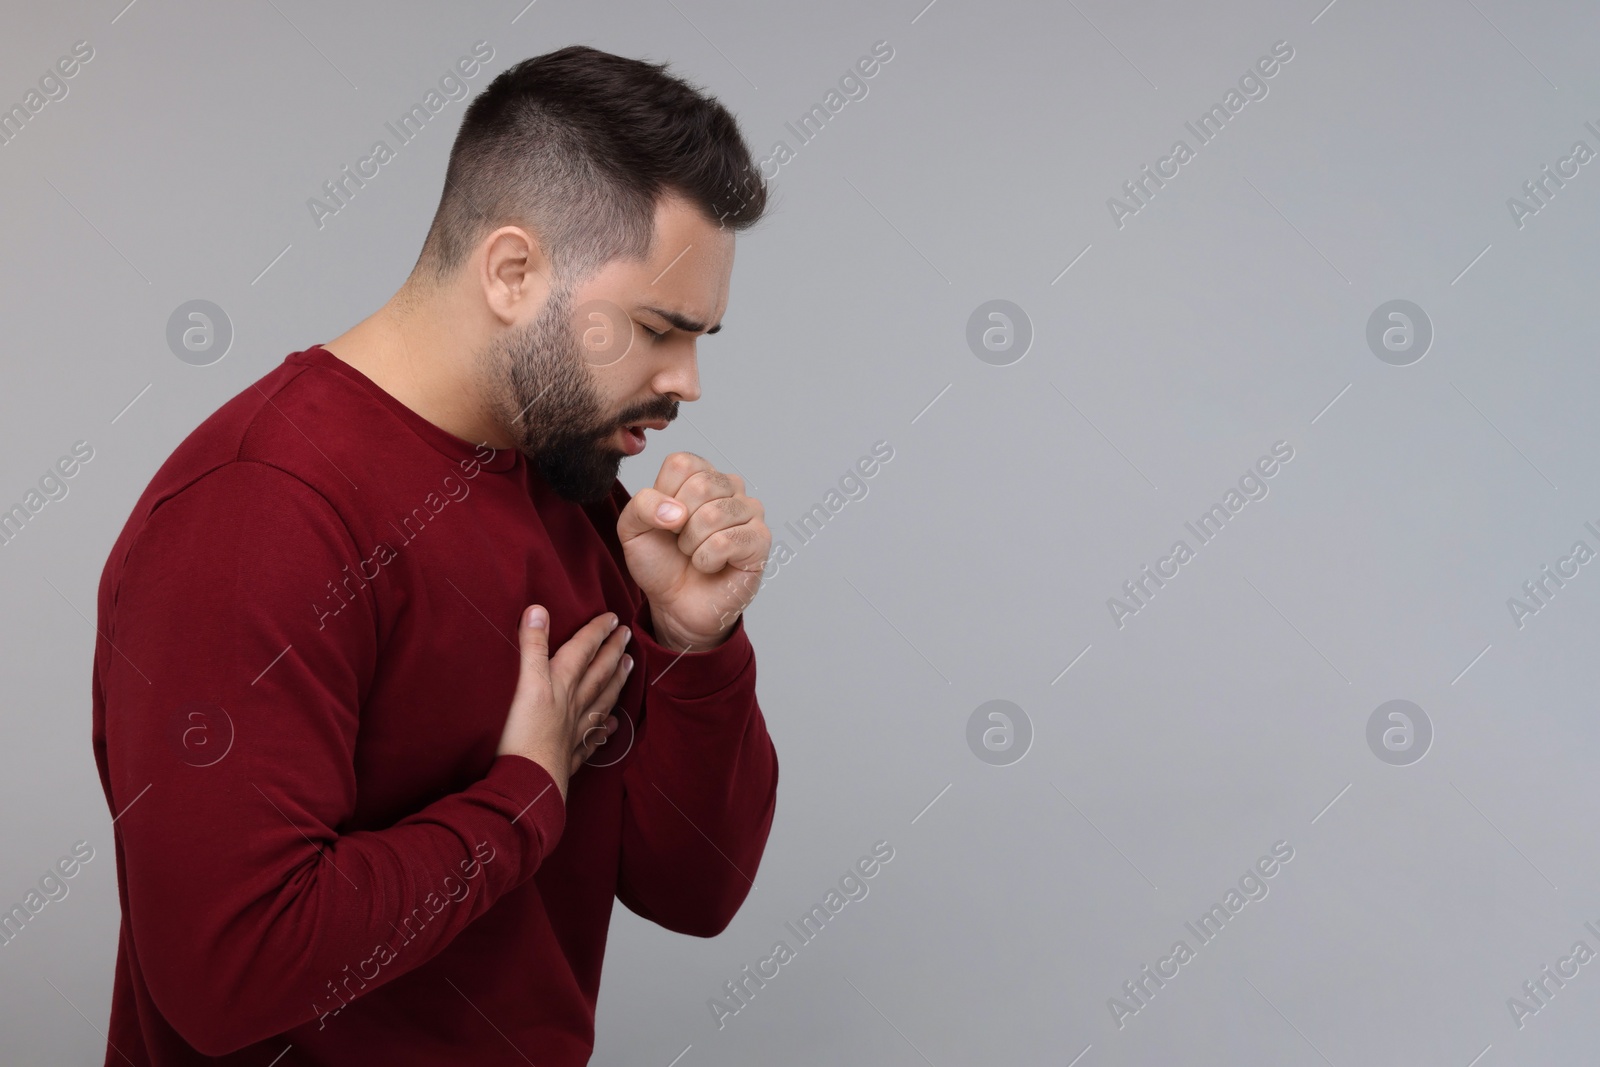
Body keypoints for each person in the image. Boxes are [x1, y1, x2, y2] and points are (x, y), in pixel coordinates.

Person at [90, 44, 778, 1065]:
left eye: (701, 337)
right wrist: (524, 792)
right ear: (513, 271)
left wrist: (693, 647)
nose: (686, 382)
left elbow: (696, 889)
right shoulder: (259, 510)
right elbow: (227, 975)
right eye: (655, 329)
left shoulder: (570, 493)